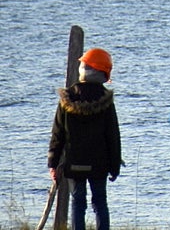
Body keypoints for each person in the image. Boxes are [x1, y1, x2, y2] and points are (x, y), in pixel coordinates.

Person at [48, 47, 122, 230]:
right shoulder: (105, 99)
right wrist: (115, 166)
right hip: (99, 163)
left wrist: (53, 163)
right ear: (103, 72)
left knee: (77, 203)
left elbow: (58, 134)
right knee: (100, 203)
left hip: (74, 162)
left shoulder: (67, 98)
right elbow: (113, 136)